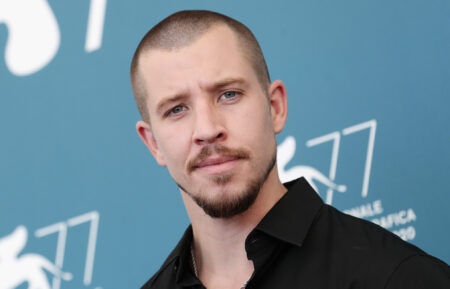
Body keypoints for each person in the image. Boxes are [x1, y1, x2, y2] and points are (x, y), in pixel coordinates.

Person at [130, 10, 449, 289]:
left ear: (275, 107)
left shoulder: (393, 277)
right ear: (153, 144)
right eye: (176, 110)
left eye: (228, 94)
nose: (207, 129)